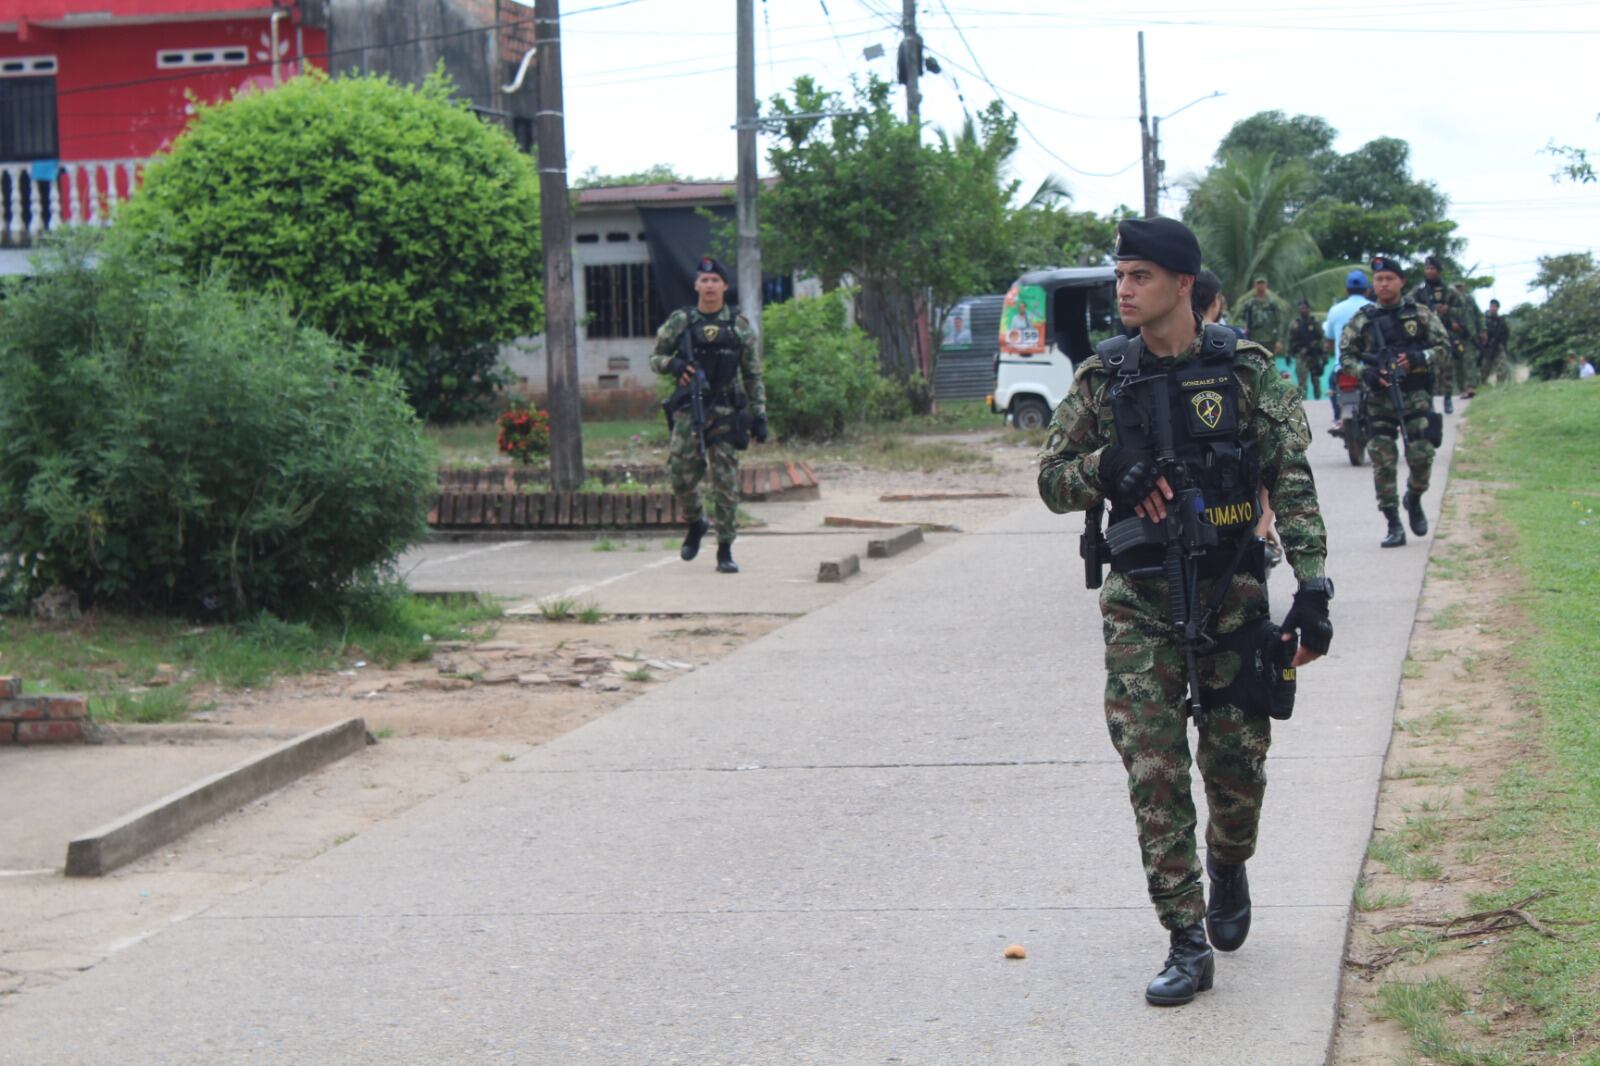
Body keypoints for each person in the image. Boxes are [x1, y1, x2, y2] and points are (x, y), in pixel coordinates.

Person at [1038, 217, 1331, 1008]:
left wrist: (1313, 586)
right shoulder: (1105, 379)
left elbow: (1291, 478)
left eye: (1138, 276)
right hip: (1139, 599)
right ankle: (1184, 938)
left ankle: (1228, 863)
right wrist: (1108, 467)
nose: (1124, 290)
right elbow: (1052, 479)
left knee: (1237, 770)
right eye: (1119, 276)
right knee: (1155, 768)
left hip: (1231, 587)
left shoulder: (1243, 372)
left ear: (1180, 283)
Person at [649, 257, 769, 574]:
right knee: (681, 475)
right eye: (705, 280)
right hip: (690, 407)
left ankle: (725, 550)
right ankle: (696, 522)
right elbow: (655, 357)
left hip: (728, 410)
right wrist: (672, 365)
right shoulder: (681, 322)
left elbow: (753, 375)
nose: (710, 285)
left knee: (725, 481)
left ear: (725, 286)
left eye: (716, 280)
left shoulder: (739, 326)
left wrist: (759, 415)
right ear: (696, 285)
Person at [1341, 256, 1451, 548]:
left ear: (1401, 281)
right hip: (1379, 400)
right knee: (1383, 461)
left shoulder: (1421, 314)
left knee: (1422, 454)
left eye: (1390, 278)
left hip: (1415, 397)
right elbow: (1346, 356)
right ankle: (1393, 523)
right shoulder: (1362, 319)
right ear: (1372, 284)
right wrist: (1366, 373)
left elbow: (1444, 347)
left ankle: (1414, 496)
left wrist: (1419, 358)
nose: (1384, 284)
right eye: (1379, 279)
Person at [1409, 256, 1471, 411]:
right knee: (1428, 368)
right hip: (1425, 334)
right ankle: (1429, 401)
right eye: (1427, 269)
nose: (1429, 272)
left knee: (1447, 368)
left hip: (1446, 332)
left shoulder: (1449, 290)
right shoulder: (1420, 290)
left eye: (1433, 269)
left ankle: (1448, 399)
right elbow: (1407, 303)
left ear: (1439, 271)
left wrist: (1448, 310)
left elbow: (1463, 309)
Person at [1324, 270, 1374, 425]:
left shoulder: (1335, 310)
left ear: (1346, 291)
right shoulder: (1374, 308)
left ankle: (1338, 418)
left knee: (1332, 383)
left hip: (1343, 366)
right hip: (1369, 367)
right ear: (1367, 290)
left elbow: (1330, 339)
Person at [1237, 275, 1289, 357]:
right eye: (1258, 283)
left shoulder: (1273, 304)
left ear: (1266, 285)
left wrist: (1279, 340)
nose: (1260, 286)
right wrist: (1244, 327)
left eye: (1262, 283)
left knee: (1269, 364)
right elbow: (1240, 318)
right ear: (1255, 285)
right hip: (1254, 339)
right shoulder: (1249, 304)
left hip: (1270, 340)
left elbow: (1279, 322)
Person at [1287, 299, 1326, 401]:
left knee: (1316, 380)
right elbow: (1290, 340)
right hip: (1301, 355)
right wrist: (1289, 354)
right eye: (1302, 308)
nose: (1304, 310)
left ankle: (1318, 401)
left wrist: (1322, 352)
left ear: (1309, 309)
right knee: (1302, 381)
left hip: (1314, 354)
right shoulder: (1295, 324)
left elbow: (1321, 338)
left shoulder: (1315, 322)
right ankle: (1303, 403)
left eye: (1306, 308)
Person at [1482, 299, 1512, 385]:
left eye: (1495, 307)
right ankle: (1483, 385)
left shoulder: (1501, 321)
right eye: (1491, 306)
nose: (1493, 308)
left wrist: (1503, 342)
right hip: (1487, 347)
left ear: (1497, 308)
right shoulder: (1485, 320)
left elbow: (1507, 333)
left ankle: (1501, 384)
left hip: (1499, 345)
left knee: (1502, 365)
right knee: (1485, 367)